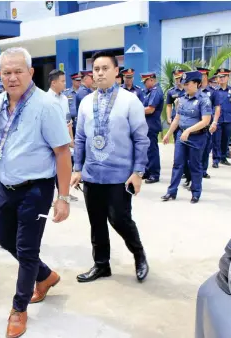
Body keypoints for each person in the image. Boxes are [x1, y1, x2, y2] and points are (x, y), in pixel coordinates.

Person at [0, 47, 71, 338]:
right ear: (0, 76)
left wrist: (63, 197)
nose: (12, 77)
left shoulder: (46, 106)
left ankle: (19, 309)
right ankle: (45, 276)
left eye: (18, 71)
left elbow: (62, 152)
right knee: (6, 240)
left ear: (30, 72)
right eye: (6, 72)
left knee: (27, 249)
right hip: (4, 186)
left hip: (37, 189)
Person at [71, 50, 150, 284]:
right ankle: (101, 265)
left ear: (116, 71)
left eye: (105, 68)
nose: (100, 73)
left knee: (120, 219)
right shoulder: (86, 102)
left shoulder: (129, 100)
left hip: (120, 175)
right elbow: (81, 139)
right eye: (96, 69)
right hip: (92, 175)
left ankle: (139, 255)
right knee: (96, 222)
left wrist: (138, 173)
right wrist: (77, 168)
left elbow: (141, 139)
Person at [161, 71, 212, 204]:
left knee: (195, 165)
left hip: (197, 137)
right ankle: (171, 192)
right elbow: (177, 118)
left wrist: (189, 130)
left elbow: (205, 121)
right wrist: (167, 134)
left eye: (188, 84)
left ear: (196, 84)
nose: (185, 87)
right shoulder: (182, 99)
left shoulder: (204, 99)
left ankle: (195, 193)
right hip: (181, 136)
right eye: (184, 84)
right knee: (177, 164)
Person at [47, 69, 77, 202]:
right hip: (51, 140)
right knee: (52, 168)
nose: (65, 84)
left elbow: (68, 119)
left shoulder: (64, 98)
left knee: (65, 165)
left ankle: (64, 193)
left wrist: (71, 139)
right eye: (62, 81)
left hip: (64, 139)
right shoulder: (45, 99)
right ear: (53, 83)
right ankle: (52, 197)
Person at [197, 67, 221, 179]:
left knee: (206, 148)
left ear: (205, 76)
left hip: (207, 125)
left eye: (201, 76)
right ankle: (192, 172)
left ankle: (203, 170)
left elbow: (217, 108)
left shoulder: (212, 92)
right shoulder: (194, 91)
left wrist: (215, 122)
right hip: (195, 125)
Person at [141, 72, 164, 184]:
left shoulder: (156, 91)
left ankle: (154, 173)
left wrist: (136, 111)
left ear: (151, 80)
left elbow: (150, 109)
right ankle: (147, 171)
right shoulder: (148, 92)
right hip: (146, 125)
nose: (145, 84)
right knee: (146, 150)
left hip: (152, 125)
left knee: (152, 150)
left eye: (145, 81)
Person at [212, 68, 231, 167]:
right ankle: (216, 160)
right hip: (217, 119)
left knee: (226, 140)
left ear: (228, 77)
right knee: (216, 140)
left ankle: (223, 157)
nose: (221, 79)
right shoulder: (214, 91)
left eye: (224, 77)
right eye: (220, 77)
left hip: (228, 119)